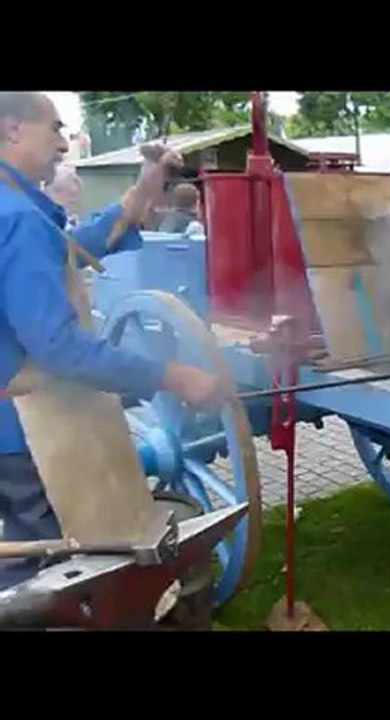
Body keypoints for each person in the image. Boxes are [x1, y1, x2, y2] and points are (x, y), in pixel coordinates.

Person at [0, 92, 225, 589]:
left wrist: (147, 185)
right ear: (13, 129)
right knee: (48, 575)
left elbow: (76, 247)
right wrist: (170, 374)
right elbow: (57, 347)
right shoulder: (15, 219)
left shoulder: (16, 208)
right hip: (25, 432)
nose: (63, 143)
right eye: (54, 129)